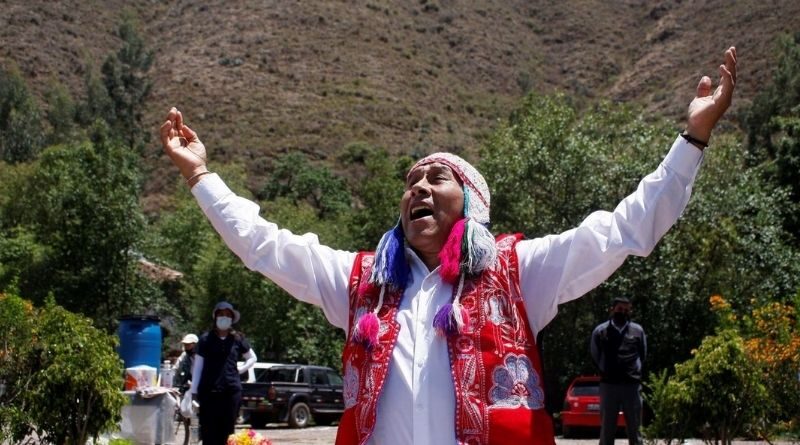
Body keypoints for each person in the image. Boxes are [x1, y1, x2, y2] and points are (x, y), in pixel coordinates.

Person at [161, 47, 737, 445]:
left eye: (436, 178)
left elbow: (623, 229)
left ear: (472, 205)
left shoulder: (519, 272)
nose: (418, 187)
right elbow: (264, 245)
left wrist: (693, 138)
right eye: (411, 181)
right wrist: (200, 177)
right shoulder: (361, 282)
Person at [189, 301, 257, 445]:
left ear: (232, 319)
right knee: (209, 432)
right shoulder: (205, 339)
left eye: (227, 315)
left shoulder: (238, 339)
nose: (224, 317)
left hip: (231, 392)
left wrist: (241, 369)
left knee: (228, 432)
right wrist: (193, 392)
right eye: (221, 314)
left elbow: (252, 358)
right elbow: (198, 367)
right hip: (209, 392)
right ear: (215, 317)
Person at [591, 297, 646, 445]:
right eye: (620, 309)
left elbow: (643, 355)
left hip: (632, 386)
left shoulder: (638, 331)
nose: (623, 312)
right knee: (607, 429)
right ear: (612, 310)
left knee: (635, 429)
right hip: (609, 386)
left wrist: (633, 370)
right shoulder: (600, 331)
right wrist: (605, 370)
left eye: (626, 310)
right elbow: (595, 355)